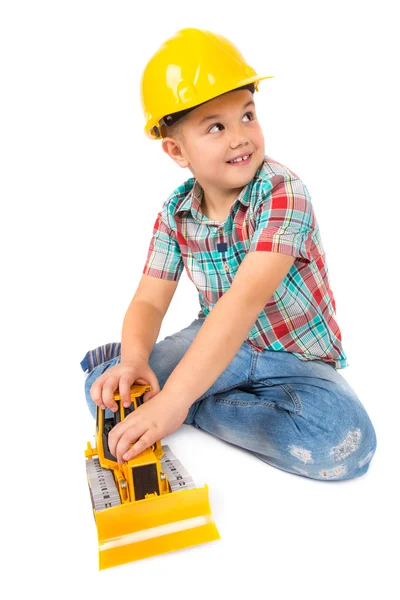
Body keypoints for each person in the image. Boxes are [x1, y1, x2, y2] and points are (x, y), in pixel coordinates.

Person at [81, 28, 377, 481]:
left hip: (294, 358)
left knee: (344, 443)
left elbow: (242, 303)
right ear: (177, 150)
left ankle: (198, 407)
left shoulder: (283, 193)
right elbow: (148, 300)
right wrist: (135, 360)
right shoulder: (176, 213)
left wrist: (174, 403)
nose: (241, 137)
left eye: (248, 115)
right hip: (217, 342)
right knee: (104, 392)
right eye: (216, 126)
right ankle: (172, 389)